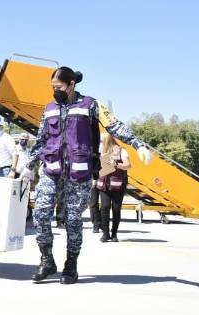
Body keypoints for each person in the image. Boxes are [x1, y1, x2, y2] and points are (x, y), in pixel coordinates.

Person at [12, 66, 152, 284]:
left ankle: (71, 265)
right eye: (52, 87)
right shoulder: (49, 109)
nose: (55, 91)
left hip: (79, 173)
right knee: (40, 214)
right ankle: (47, 260)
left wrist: (138, 145)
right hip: (51, 170)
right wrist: (28, 167)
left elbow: (114, 125)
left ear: (71, 85)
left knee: (73, 220)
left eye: (58, 87)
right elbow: (41, 140)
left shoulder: (90, 105)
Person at [95, 132, 132, 242]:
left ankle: (114, 234)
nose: (100, 143)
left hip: (117, 185)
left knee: (116, 209)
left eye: (102, 141)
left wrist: (116, 164)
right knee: (104, 208)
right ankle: (105, 234)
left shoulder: (121, 150)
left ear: (107, 141)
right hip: (103, 184)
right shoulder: (100, 150)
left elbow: (128, 165)